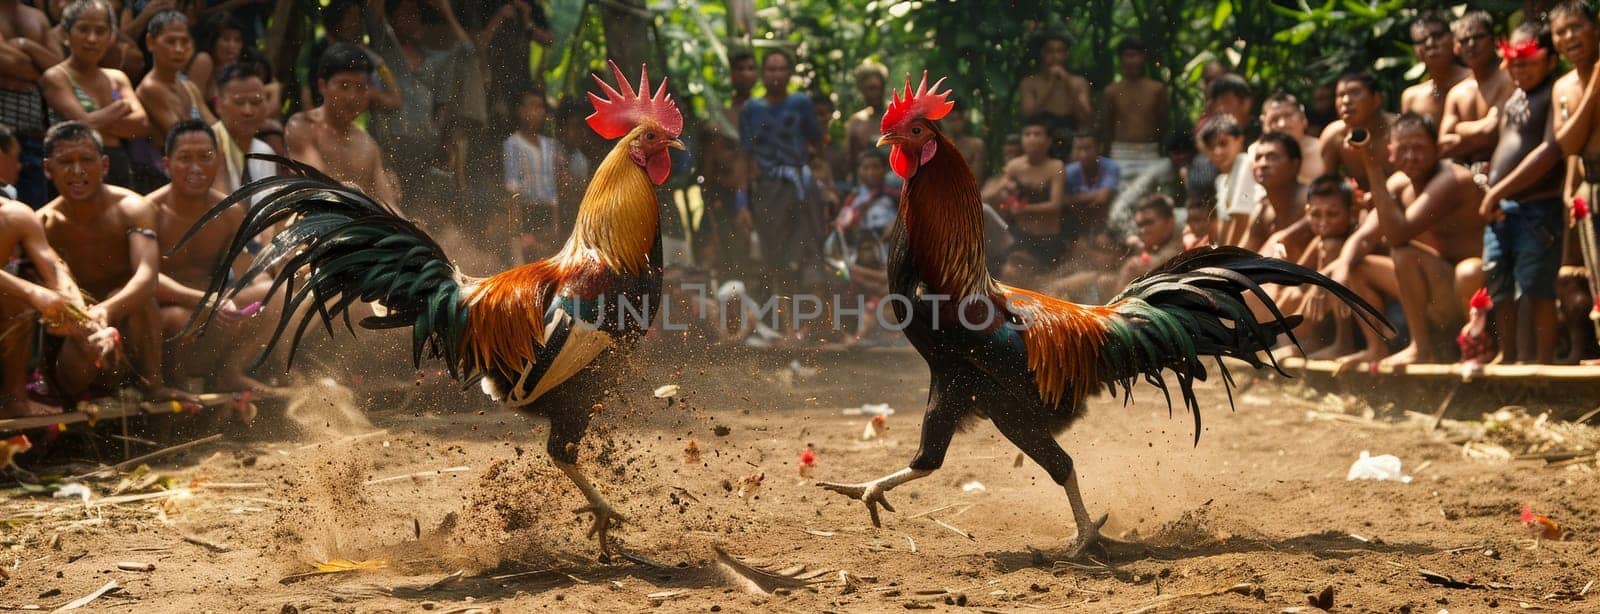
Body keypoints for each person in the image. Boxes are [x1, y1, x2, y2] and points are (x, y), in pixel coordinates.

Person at [36, 121, 193, 404]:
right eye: (65, 162)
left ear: (105, 165)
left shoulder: (132, 208)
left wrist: (107, 310)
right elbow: (56, 286)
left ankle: (153, 386)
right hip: (79, 328)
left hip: (128, 323)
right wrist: (86, 320)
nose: (77, 171)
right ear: (48, 168)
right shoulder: (44, 223)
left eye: (86, 159)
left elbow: (147, 278)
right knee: (74, 334)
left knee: (139, 299)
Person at [1333, 113, 1485, 367]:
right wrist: (1340, 270)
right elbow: (1362, 238)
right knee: (1355, 266)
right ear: (1390, 152)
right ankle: (1376, 348)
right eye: (1403, 149)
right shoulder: (1398, 184)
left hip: (1469, 294)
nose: (1411, 157)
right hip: (1438, 290)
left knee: (1403, 253)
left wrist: (1371, 166)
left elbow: (1397, 235)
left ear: (1437, 150)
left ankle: (1422, 348)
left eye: (1419, 148)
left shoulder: (1451, 179)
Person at [152, 119, 272, 391]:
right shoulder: (149, 211)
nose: (196, 168)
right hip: (170, 314)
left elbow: (247, 269)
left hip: (213, 311)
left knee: (275, 291)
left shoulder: (229, 212)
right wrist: (207, 302)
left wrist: (275, 275)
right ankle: (176, 383)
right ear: (167, 164)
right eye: (185, 158)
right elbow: (146, 279)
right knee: (177, 318)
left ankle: (230, 371)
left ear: (218, 161)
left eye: (205, 157)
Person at [0, 125, 107, 417]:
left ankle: (15, 397)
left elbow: (53, 267)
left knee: (19, 302)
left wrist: (78, 310)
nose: (20, 165)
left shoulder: (16, 215)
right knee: (23, 293)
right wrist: (32, 291)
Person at [1477, 21, 1564, 364]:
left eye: (1526, 60)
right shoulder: (1513, 98)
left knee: (1534, 286)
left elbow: (1549, 151)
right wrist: (1491, 189)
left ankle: (1538, 361)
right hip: (1502, 207)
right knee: (1499, 282)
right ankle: (1508, 355)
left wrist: (1496, 190)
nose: (1517, 68)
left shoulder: (1552, 94)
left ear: (1551, 61)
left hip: (1537, 209)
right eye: (1512, 61)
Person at [364, 0, 484, 205]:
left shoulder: (434, 60)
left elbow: (468, 53)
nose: (413, 19)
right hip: (388, 144)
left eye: (416, 14)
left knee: (419, 209)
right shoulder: (385, 51)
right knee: (386, 203)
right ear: (392, 19)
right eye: (406, 13)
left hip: (424, 149)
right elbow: (373, 16)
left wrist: (445, 11)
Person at [736, 48, 825, 316]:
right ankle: (789, 327)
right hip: (768, 189)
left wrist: (822, 180)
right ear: (764, 74)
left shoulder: (801, 103)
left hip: (801, 186)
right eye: (771, 69)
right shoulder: (751, 109)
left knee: (811, 250)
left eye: (781, 69)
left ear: (789, 73)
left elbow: (817, 142)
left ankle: (813, 325)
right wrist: (742, 203)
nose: (776, 74)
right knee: (776, 257)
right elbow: (745, 158)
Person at [40, 0, 148, 191]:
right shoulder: (57, 76)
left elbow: (141, 125)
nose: (92, 38)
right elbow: (83, 126)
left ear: (110, 36)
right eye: (83, 30)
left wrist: (97, 121)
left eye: (100, 31)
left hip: (118, 164)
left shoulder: (117, 77)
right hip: (74, 169)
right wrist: (120, 108)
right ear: (66, 34)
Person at [285, 43, 400, 207]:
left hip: (357, 225)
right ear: (322, 86)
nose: (352, 97)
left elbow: (389, 205)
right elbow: (317, 189)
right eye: (344, 86)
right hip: (309, 219)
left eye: (360, 87)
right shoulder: (302, 126)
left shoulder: (369, 146)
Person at [1549, 0, 1600, 358]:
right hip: (1589, 185)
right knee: (1591, 275)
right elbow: (1568, 144)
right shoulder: (1563, 87)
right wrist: (1570, 188)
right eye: (1560, 31)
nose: (1569, 36)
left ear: (1595, 29)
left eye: (1576, 27)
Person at [1272, 176, 1357, 359]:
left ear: (1351, 214)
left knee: (1331, 250)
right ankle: (1308, 342)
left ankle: (1343, 343)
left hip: (1358, 318)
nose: (1324, 222)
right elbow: (1296, 277)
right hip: (1322, 317)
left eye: (1332, 214)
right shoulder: (1320, 239)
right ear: (1307, 212)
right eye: (1316, 215)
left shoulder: (1353, 236)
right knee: (1292, 292)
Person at [0, 0, 62, 207]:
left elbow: (59, 69)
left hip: (34, 133)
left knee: (35, 208)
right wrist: (40, 70)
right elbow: (9, 62)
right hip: (2, 133)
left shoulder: (37, 17)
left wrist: (23, 44)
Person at [982, 118, 1065, 273]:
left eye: (1037, 134)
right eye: (1027, 134)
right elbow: (992, 197)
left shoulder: (1056, 167)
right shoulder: (1014, 166)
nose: (1032, 138)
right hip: (1019, 236)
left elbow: (1055, 205)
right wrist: (1003, 189)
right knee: (1009, 271)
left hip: (1047, 239)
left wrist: (1024, 209)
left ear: (1048, 141)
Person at [504, 87, 575, 263]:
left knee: (547, 265)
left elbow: (555, 191)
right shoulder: (512, 144)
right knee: (524, 269)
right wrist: (517, 230)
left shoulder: (551, 146)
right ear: (520, 111)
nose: (537, 112)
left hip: (548, 213)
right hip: (526, 210)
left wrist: (555, 225)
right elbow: (511, 190)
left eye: (541, 107)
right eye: (532, 106)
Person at [1439, 11, 1513, 164]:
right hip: (1466, 172)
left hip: (1505, 166)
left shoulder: (1509, 77)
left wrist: (1458, 128)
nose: (1471, 44)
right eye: (1464, 40)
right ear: (1456, 47)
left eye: (1478, 37)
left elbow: (1490, 132)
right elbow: (1443, 145)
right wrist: (1479, 134)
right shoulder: (1457, 93)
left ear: (1494, 40)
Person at [135, 11, 214, 152]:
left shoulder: (189, 87)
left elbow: (216, 129)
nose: (179, 49)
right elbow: (183, 138)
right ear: (150, 42)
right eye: (171, 41)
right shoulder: (150, 88)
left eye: (184, 41)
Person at [1099, 36, 1167, 185]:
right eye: (1128, 56)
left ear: (1143, 58)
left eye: (1135, 56)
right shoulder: (1112, 91)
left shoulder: (1156, 89)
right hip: (1120, 151)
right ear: (1121, 59)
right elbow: (1107, 126)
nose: (1132, 61)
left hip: (1149, 151)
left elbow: (1162, 122)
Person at [1319, 72, 1396, 190]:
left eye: (1355, 92)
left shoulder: (1398, 130)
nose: (1346, 100)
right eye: (1340, 95)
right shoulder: (1334, 136)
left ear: (1376, 99)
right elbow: (1326, 187)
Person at [210, 61, 276, 194]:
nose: (248, 111)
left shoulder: (265, 152)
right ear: (218, 105)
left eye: (256, 102)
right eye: (239, 102)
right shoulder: (206, 146)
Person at [1019, 33, 1091, 156]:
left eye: (1059, 51)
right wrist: (1050, 86)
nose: (1055, 56)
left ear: (1066, 54)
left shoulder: (1078, 82)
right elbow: (1028, 115)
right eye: (1050, 51)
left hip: (1071, 132)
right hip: (1041, 138)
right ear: (1042, 53)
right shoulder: (1029, 82)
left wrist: (1067, 83)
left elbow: (1086, 117)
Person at [1242, 132, 1311, 260]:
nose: (1263, 164)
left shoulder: (1310, 198)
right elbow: (1242, 256)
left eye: (1272, 157)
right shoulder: (1261, 211)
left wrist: (1282, 237)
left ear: (1295, 164)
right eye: (1258, 158)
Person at [1400, 11, 1470, 125]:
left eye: (1437, 36)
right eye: (1421, 40)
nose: (1430, 44)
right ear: (1415, 51)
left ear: (1453, 39)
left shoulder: (1476, 81)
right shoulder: (1411, 98)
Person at [1199, 114, 1259, 247]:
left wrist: (1224, 260)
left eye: (1223, 143)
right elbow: (1226, 223)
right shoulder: (1221, 180)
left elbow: (1241, 220)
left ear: (1239, 141)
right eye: (1211, 147)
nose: (1217, 151)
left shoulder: (1244, 163)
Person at [1062, 130, 1118, 245]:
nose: (1083, 154)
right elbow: (1062, 201)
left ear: (1099, 148)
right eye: (1079, 149)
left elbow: (1103, 197)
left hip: (1104, 221)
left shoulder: (1111, 166)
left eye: (1087, 148)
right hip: (1078, 223)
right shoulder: (1069, 171)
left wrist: (1076, 199)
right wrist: (1093, 196)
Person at [1260, 92, 1325, 184]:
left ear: (1303, 118)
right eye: (1274, 119)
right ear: (1263, 123)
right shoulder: (1254, 155)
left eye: (1288, 116)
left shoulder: (1322, 150)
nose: (1282, 124)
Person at [843, 59, 886, 177]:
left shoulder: (896, 115)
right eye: (869, 88)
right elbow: (850, 160)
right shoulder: (856, 122)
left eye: (876, 87)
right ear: (861, 90)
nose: (873, 94)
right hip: (867, 181)